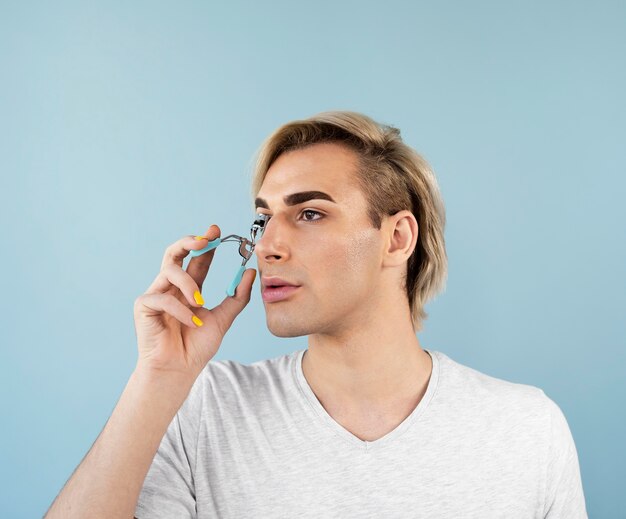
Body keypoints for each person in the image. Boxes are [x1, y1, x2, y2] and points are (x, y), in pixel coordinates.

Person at [45, 111, 588, 518]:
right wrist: (158, 379)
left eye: (309, 213)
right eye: (264, 219)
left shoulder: (525, 430)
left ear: (396, 238)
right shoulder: (203, 407)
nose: (266, 246)